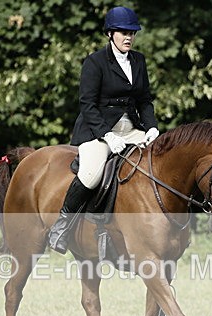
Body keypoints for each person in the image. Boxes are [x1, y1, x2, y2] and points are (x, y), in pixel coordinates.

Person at [47, 6, 160, 254]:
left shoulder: (138, 60)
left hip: (131, 127)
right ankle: (62, 226)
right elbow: (87, 104)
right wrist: (107, 135)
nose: (128, 37)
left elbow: (144, 101)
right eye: (123, 32)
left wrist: (151, 127)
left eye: (132, 32)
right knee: (91, 174)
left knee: (158, 162)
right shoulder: (95, 62)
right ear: (110, 34)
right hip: (97, 129)